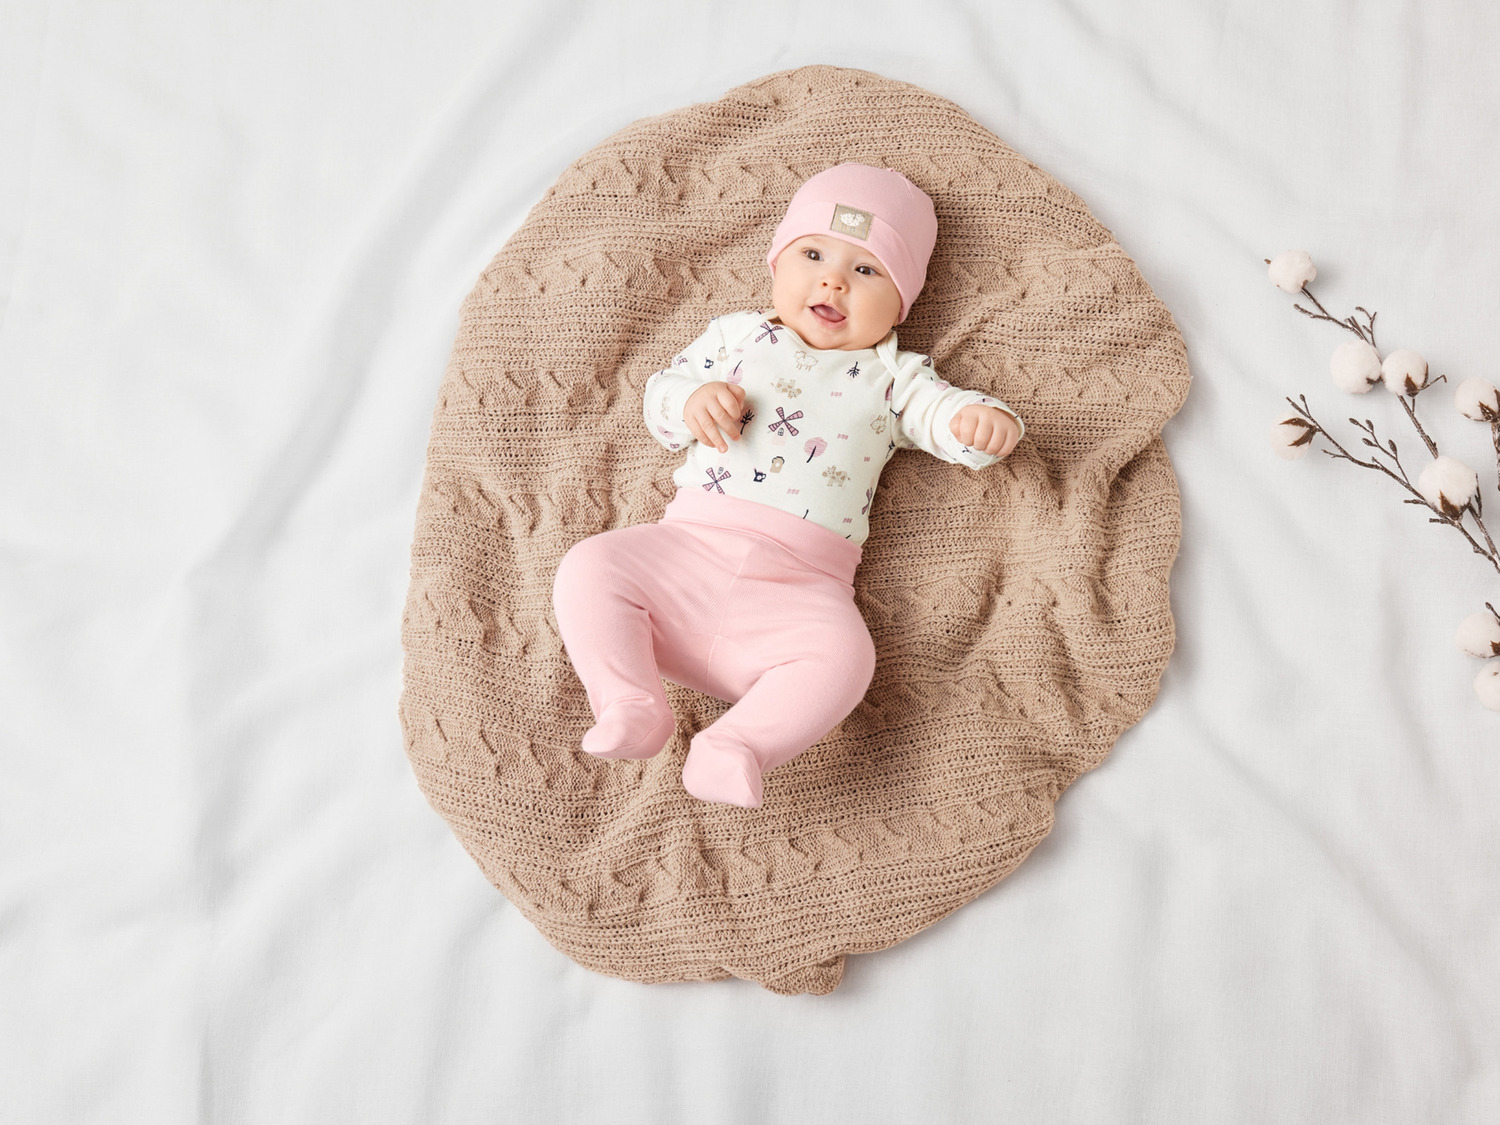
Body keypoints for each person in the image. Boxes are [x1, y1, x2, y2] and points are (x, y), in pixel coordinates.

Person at [551, 162, 1024, 809]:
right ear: (776, 264)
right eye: (813, 254)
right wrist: (690, 401)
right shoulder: (737, 337)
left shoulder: (895, 377)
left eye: (867, 270)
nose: (833, 280)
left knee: (847, 658)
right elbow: (661, 396)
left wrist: (979, 423)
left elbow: (943, 416)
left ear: (901, 304)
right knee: (590, 565)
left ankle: (736, 745)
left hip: (799, 590)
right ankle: (630, 701)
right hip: (685, 554)